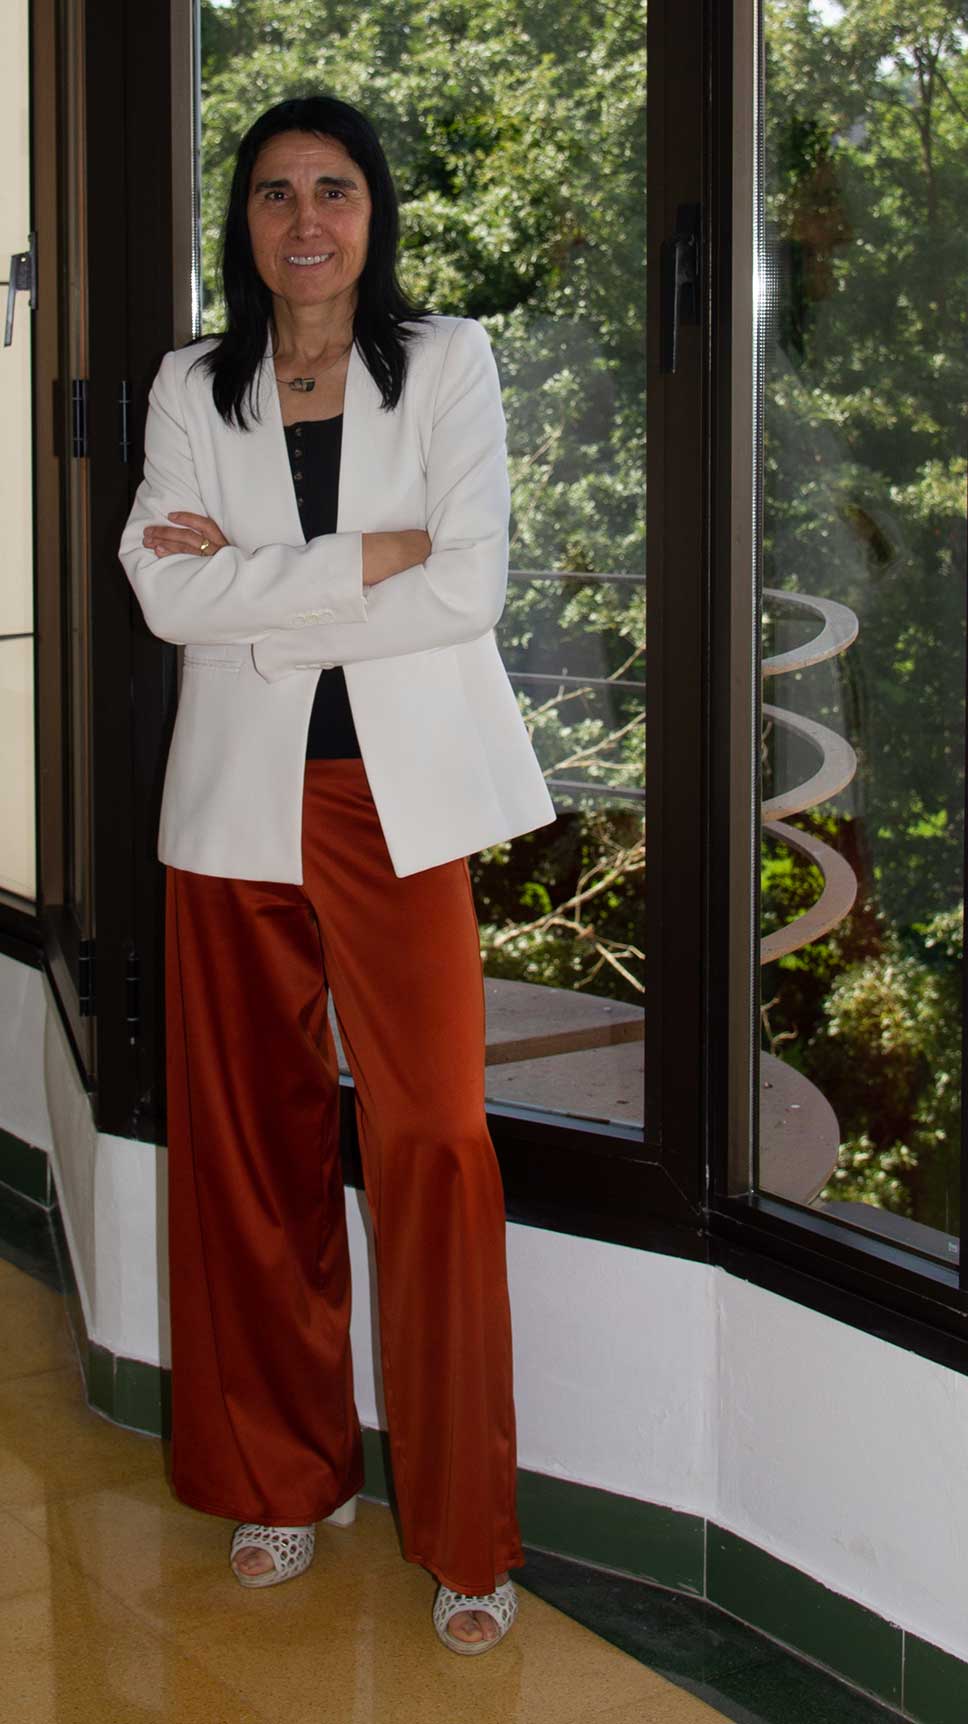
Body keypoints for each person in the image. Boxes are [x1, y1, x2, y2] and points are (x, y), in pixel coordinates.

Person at [118, 93, 556, 1655]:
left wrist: (255, 596)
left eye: (334, 190)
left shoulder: (446, 362)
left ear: (375, 213)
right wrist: (372, 554)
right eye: (274, 193)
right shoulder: (190, 383)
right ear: (243, 222)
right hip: (234, 809)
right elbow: (160, 597)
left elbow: (472, 584)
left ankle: (465, 1529)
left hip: (398, 803)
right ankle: (279, 1478)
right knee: (252, 1148)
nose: (305, 220)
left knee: (433, 1136)